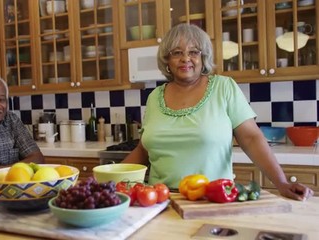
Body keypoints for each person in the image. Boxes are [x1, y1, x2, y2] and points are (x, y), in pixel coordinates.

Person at [122, 23, 314, 201]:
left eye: (193, 52)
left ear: (203, 57)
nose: (185, 58)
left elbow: (251, 138)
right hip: (160, 200)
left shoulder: (224, 87)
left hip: (214, 198)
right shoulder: (155, 97)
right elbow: (144, 149)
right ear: (167, 60)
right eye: (176, 52)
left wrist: (281, 183)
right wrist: (109, 176)